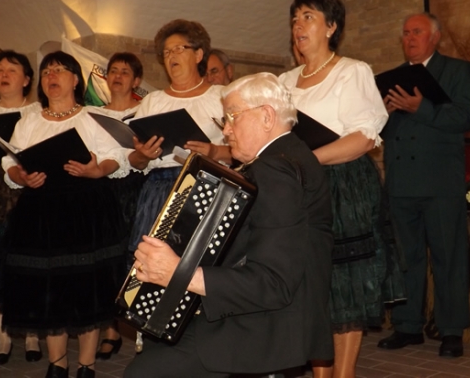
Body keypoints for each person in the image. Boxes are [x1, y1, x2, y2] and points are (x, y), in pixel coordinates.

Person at [123, 72, 334, 377]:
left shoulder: (275, 170)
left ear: (266, 116)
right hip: (261, 317)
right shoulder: (288, 157)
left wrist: (178, 273)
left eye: (233, 117)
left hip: (262, 329)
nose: (225, 130)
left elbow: (273, 282)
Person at [279, 0, 405, 378]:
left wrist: (309, 158)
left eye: (309, 17)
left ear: (331, 27)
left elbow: (365, 137)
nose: (299, 25)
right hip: (297, 186)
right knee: (314, 282)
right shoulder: (284, 80)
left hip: (343, 185)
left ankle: (344, 373)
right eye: (295, 18)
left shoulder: (353, 71)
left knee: (345, 281)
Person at [1, 51, 131, 378]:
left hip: (87, 208)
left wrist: (96, 170)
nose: (52, 75)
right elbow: (10, 164)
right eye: (47, 71)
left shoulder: (94, 117)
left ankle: (86, 365)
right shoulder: (29, 121)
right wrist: (22, 177)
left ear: (75, 80)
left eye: (59, 70)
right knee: (51, 287)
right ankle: (57, 363)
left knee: (87, 286)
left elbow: (116, 156)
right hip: (41, 211)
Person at [378, 13, 470, 358]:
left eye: (417, 32)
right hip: (401, 182)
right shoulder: (394, 77)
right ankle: (407, 326)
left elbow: (466, 117)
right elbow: (380, 131)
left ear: (435, 37)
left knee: (449, 259)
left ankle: (451, 330)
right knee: (407, 259)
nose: (409, 38)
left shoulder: (457, 70)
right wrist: (385, 112)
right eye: (406, 33)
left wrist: (422, 108)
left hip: (440, 183)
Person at [127, 19, 231, 263]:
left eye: (178, 49)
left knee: (199, 264)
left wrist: (214, 152)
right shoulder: (152, 101)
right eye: (166, 52)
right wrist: (143, 154)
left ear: (198, 55)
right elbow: (135, 161)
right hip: (159, 191)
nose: (171, 56)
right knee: (151, 266)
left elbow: (246, 150)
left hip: (207, 187)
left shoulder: (220, 96)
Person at [0, 49, 43, 366]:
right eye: (0, 69)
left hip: (28, 190)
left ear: (27, 79)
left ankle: (32, 333)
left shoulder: (37, 112)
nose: (4, 74)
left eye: (12, 70)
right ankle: (3, 337)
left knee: (29, 260)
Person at [87, 52, 147, 360]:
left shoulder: (144, 111)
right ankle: (111, 329)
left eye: (125, 72)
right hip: (102, 189)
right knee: (106, 257)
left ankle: (140, 327)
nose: (118, 76)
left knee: (135, 257)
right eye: (113, 71)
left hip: (136, 187)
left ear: (136, 80)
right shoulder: (91, 113)